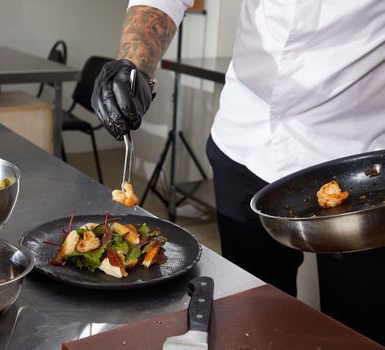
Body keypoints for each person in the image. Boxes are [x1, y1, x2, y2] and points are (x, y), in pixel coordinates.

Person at [91, 0, 385, 345]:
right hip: (246, 137)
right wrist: (133, 64)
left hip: (359, 159)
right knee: (252, 316)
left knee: (360, 326)